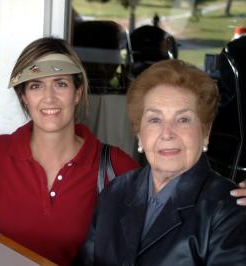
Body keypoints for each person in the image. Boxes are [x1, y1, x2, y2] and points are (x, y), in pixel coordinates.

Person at [0, 37, 140, 265]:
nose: (49, 97)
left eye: (60, 83)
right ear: (24, 96)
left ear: (77, 92)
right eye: (36, 85)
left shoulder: (117, 167)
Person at [74, 59, 246, 265]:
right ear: (139, 133)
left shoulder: (230, 209)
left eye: (183, 119)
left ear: (205, 132)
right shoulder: (115, 191)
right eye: (155, 120)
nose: (167, 134)